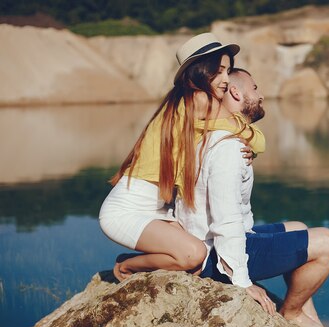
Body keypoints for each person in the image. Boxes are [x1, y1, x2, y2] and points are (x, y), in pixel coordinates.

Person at [176, 66, 329, 327]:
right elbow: (225, 221)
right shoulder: (228, 149)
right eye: (255, 89)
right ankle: (290, 313)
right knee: (327, 242)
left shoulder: (222, 136)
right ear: (236, 92)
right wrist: (242, 282)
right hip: (217, 256)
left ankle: (309, 318)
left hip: (223, 239)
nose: (261, 95)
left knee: (298, 227)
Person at [99, 33, 262, 281]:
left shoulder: (182, 100)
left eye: (228, 72)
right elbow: (257, 137)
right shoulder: (199, 100)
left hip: (160, 212)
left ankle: (139, 262)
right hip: (126, 211)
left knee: (195, 260)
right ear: (201, 72)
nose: (226, 80)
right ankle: (126, 266)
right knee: (193, 255)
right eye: (219, 71)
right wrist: (252, 145)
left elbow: (242, 135)